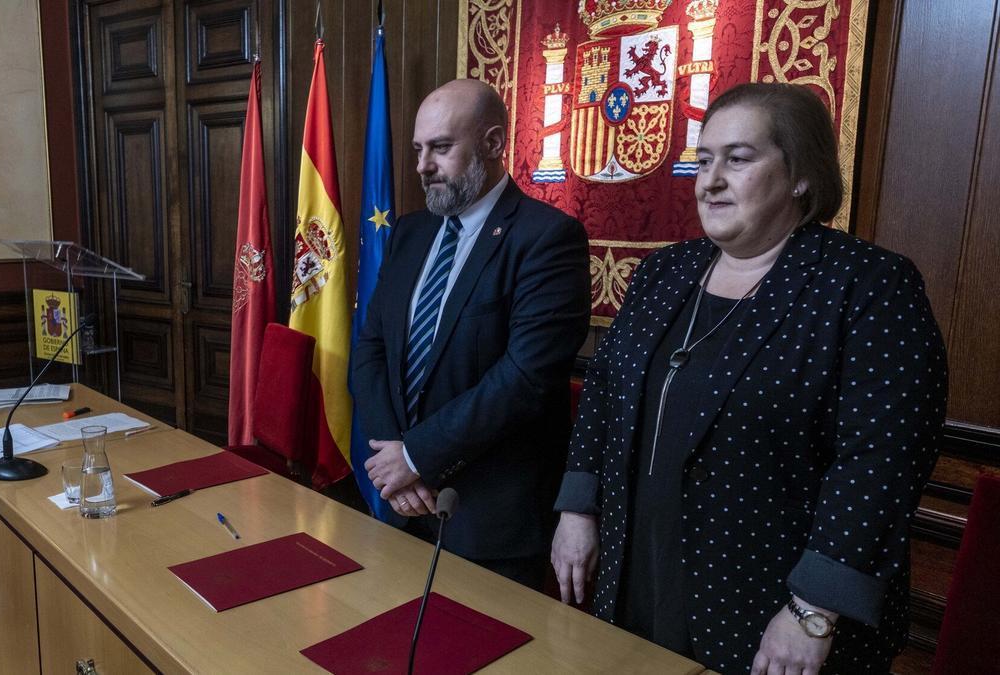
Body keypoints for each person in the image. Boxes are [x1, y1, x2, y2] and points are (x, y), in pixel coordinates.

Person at [551, 82, 947, 674]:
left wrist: (813, 610)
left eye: (738, 159)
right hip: (637, 571)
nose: (709, 180)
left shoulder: (866, 285)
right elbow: (604, 395)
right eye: (705, 159)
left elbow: (880, 463)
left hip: (772, 607)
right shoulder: (665, 272)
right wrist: (578, 511)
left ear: (802, 176)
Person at [351, 79, 591, 588]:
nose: (422, 165)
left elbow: (524, 379)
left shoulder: (547, 238)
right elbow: (371, 347)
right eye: (418, 149)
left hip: (490, 525)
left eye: (441, 147)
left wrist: (416, 456)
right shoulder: (409, 234)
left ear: (494, 143)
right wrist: (392, 457)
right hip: (399, 502)